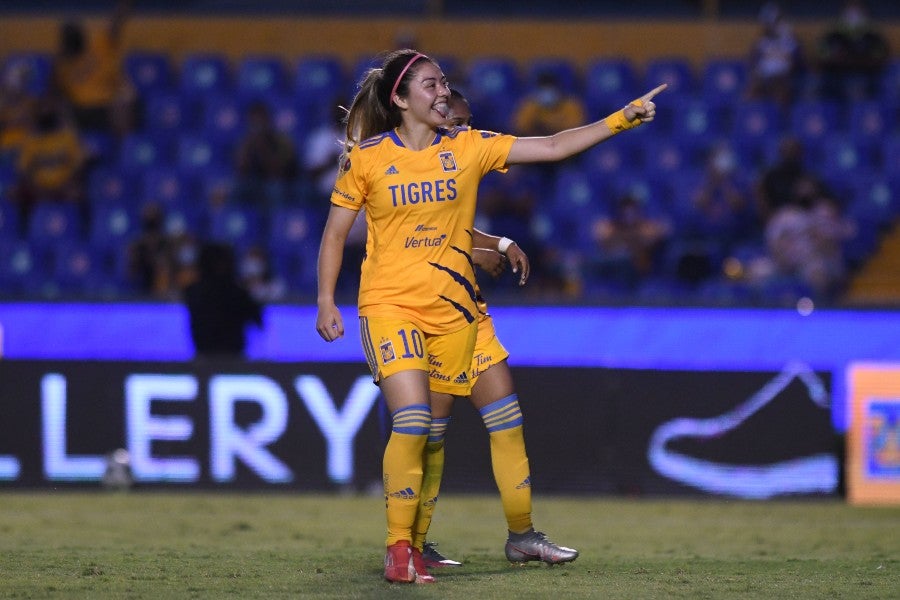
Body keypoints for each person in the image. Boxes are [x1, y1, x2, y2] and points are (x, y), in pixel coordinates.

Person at [315, 48, 664, 584]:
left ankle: (512, 535)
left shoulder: (469, 147)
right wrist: (325, 300)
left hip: (455, 313)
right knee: (413, 423)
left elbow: (551, 146)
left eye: (443, 84)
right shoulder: (366, 158)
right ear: (401, 99)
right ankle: (400, 549)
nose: (441, 93)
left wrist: (622, 118)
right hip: (388, 306)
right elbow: (336, 233)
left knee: (479, 425)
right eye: (429, 86)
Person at [417, 89, 575, 570]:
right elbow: (420, 236)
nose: (465, 130)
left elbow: (455, 229)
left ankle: (522, 535)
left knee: (507, 424)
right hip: (430, 316)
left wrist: (499, 242)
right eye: (457, 122)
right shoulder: (405, 167)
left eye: (469, 123)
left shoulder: (462, 163)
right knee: (430, 437)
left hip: (472, 315)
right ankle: (411, 541)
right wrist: (478, 247)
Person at [52, 0, 137, 136]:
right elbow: (57, 95)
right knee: (60, 108)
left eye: (75, 35)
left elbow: (117, 21)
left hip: (106, 106)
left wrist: (125, 5)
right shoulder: (61, 64)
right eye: (69, 38)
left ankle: (124, 149)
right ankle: (71, 149)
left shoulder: (100, 44)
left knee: (123, 100)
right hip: (79, 111)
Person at [184, 242, 263, 359]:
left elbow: (258, 322)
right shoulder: (237, 293)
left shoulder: (192, 291)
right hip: (213, 359)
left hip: (227, 361)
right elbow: (258, 321)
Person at [815, 0, 890, 102]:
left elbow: (881, 57)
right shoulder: (833, 33)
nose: (853, 13)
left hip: (866, 74)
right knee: (826, 83)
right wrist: (837, 58)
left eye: (857, 9)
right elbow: (821, 55)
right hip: (838, 75)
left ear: (864, 12)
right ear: (842, 12)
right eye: (849, 9)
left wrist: (859, 59)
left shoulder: (873, 34)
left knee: (878, 83)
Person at [235, 100, 300, 212]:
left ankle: (276, 224)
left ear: (267, 121)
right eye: (254, 122)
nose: (257, 125)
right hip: (254, 182)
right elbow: (240, 170)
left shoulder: (282, 140)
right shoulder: (247, 141)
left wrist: (262, 147)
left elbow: (277, 171)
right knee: (236, 190)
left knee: (275, 190)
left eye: (260, 121)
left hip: (280, 182)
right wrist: (247, 148)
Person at [746, 2, 803, 108]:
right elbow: (753, 60)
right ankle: (750, 116)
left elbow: (798, 60)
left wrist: (788, 67)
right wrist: (756, 71)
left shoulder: (791, 41)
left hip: (782, 75)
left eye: (776, 22)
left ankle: (780, 119)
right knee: (752, 89)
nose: (773, 26)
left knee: (780, 90)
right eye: (769, 23)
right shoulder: (762, 41)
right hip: (764, 75)